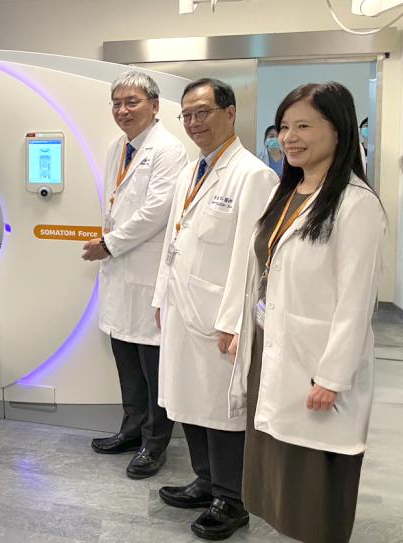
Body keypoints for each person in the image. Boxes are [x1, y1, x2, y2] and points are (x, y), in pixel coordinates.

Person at [227, 82, 384, 543]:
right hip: (271, 348)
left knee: (314, 482)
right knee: (277, 473)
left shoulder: (355, 204)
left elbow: (356, 301)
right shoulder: (287, 192)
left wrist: (332, 377)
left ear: (339, 131)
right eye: (283, 127)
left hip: (316, 365)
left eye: (303, 126)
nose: (288, 138)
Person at [151, 78, 277, 540]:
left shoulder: (253, 176)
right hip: (181, 308)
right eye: (186, 115)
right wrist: (160, 297)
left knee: (222, 409)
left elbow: (251, 260)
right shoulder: (192, 170)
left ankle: (231, 500)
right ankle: (205, 481)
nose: (193, 122)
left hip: (219, 317)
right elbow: (173, 241)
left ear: (230, 112)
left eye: (202, 112)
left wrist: (233, 322)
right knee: (188, 399)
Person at [82, 71, 186, 479]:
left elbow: (155, 212)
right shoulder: (117, 147)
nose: (122, 110)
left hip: (146, 272)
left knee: (153, 366)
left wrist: (109, 244)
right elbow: (114, 204)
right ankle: (130, 431)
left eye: (132, 102)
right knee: (126, 360)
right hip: (120, 273)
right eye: (117, 103)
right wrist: (109, 242)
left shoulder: (169, 150)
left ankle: (154, 445)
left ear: (155, 106)